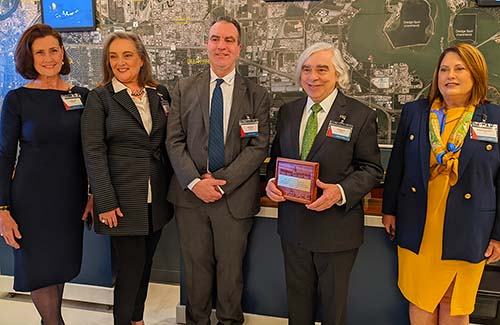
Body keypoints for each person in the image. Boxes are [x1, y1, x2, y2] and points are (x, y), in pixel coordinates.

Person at [266, 42, 383, 325]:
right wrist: (271, 182)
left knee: (333, 311)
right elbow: (276, 159)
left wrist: (340, 192)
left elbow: (371, 169)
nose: (312, 77)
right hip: (294, 228)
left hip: (336, 231)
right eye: (306, 70)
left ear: (338, 75)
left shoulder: (360, 115)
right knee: (298, 308)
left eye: (322, 69)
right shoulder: (288, 112)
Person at [382, 43, 500, 324]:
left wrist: (498, 234)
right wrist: (389, 209)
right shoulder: (416, 112)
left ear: (476, 75)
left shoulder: (494, 118)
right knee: (421, 297)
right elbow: (397, 164)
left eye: (460, 69)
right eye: (444, 69)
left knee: (454, 302)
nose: (451, 75)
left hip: (470, 226)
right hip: (420, 222)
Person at [166, 16, 270, 324]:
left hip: (233, 199)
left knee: (230, 271)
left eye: (228, 40)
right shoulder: (184, 88)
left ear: (239, 47)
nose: (220, 46)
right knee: (196, 270)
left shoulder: (257, 95)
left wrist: (221, 182)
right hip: (191, 198)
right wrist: (196, 182)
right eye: (215, 39)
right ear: (206, 44)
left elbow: (258, 146)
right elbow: (174, 141)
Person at [0, 24, 92, 325]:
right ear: (30, 57)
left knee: (59, 267)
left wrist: (93, 194)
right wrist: (2, 209)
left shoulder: (82, 96)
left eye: (54, 49)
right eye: (40, 52)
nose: (48, 57)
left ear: (63, 53)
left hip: (69, 198)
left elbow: (93, 150)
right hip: (30, 201)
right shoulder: (17, 99)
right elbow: (4, 155)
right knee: (39, 269)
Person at [81, 31, 173, 325]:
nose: (120, 62)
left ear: (141, 58)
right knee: (130, 268)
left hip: (156, 197)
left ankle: (137, 319)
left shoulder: (160, 94)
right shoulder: (100, 98)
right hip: (121, 199)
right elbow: (93, 152)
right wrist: (105, 202)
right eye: (113, 56)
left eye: (127, 55)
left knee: (145, 265)